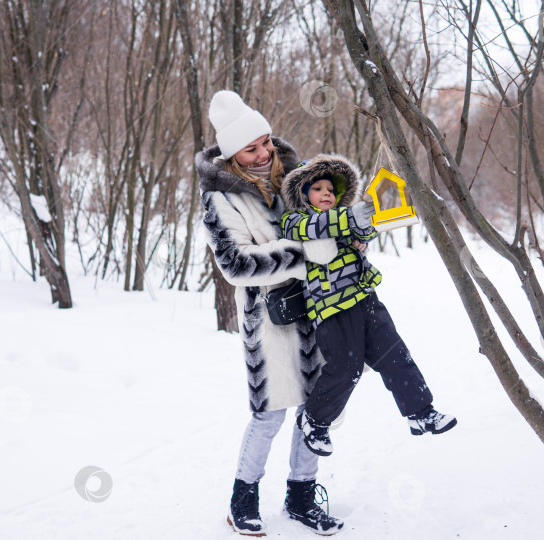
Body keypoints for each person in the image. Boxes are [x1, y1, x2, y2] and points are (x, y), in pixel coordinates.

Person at [195, 91, 344, 536]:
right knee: (270, 414)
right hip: (269, 318)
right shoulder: (220, 200)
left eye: (266, 142)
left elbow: (327, 226)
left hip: (318, 309)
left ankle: (301, 497)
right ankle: (242, 501)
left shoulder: (296, 180)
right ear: (232, 154)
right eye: (251, 148)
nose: (264, 153)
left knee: (315, 411)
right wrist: (304, 254)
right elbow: (237, 264)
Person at [279, 153, 458, 457]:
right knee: (346, 369)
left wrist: (363, 225)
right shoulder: (296, 221)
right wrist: (350, 220)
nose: (326, 194)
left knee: (395, 354)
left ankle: (420, 412)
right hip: (332, 310)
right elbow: (315, 228)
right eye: (318, 188)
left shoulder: (341, 217)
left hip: (365, 299)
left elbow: (364, 230)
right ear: (302, 193)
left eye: (331, 190)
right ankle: (315, 421)